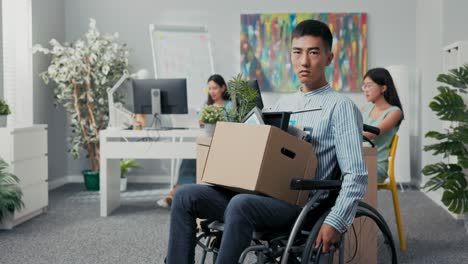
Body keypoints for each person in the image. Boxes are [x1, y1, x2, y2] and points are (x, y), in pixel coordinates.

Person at [165, 19, 368, 264]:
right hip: (260, 194)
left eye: (313, 52)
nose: (304, 61)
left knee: (241, 204)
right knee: (185, 196)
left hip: (300, 205)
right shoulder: (282, 104)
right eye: (297, 52)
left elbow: (356, 175)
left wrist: (335, 221)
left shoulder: (341, 107)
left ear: (328, 58)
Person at [157, 74, 233, 208]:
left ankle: (175, 193)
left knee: (194, 157)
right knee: (190, 156)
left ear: (223, 88)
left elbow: (232, 125)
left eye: (215, 88)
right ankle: (176, 192)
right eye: (209, 89)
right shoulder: (206, 105)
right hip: (206, 140)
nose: (212, 92)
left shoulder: (229, 105)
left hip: (221, 143)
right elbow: (200, 124)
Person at [361, 68, 404, 183]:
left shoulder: (394, 112)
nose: (365, 90)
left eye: (369, 85)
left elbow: (369, 135)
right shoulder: (366, 108)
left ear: (383, 88)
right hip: (358, 159)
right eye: (364, 86)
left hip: (375, 164)